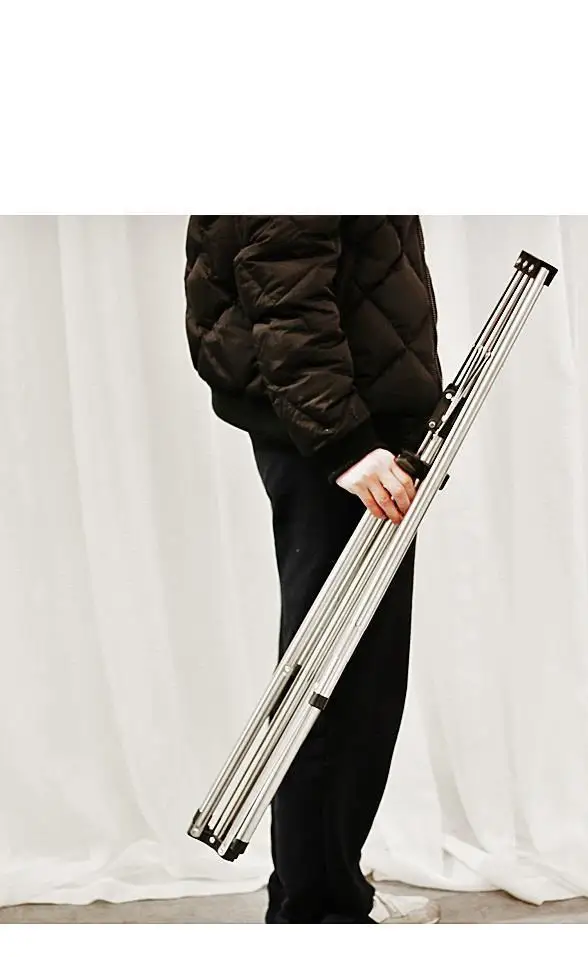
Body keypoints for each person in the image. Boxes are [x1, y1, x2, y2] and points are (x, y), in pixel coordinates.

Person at [184, 216, 443, 924]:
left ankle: (326, 889)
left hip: (344, 420)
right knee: (336, 679)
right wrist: (344, 441)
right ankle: (318, 912)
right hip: (340, 432)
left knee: (349, 675)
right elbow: (284, 281)